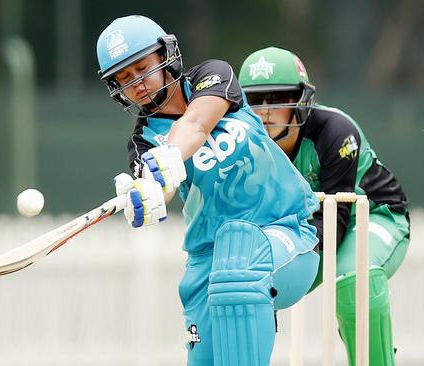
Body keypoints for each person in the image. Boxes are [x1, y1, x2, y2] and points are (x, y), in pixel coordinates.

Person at [96, 16, 321, 366]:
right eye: (124, 78)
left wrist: (169, 157)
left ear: (164, 56)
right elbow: (161, 192)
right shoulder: (142, 143)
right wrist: (146, 195)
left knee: (240, 270)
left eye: (141, 67)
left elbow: (197, 123)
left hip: (283, 230)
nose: (136, 83)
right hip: (208, 259)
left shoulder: (212, 77)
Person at [238, 46, 410, 366]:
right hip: (307, 226)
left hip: (373, 216)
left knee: (355, 278)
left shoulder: (335, 131)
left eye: (277, 98)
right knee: (243, 286)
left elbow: (337, 219)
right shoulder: (243, 147)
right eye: (255, 100)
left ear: (301, 100)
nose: (264, 111)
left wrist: (289, 260)